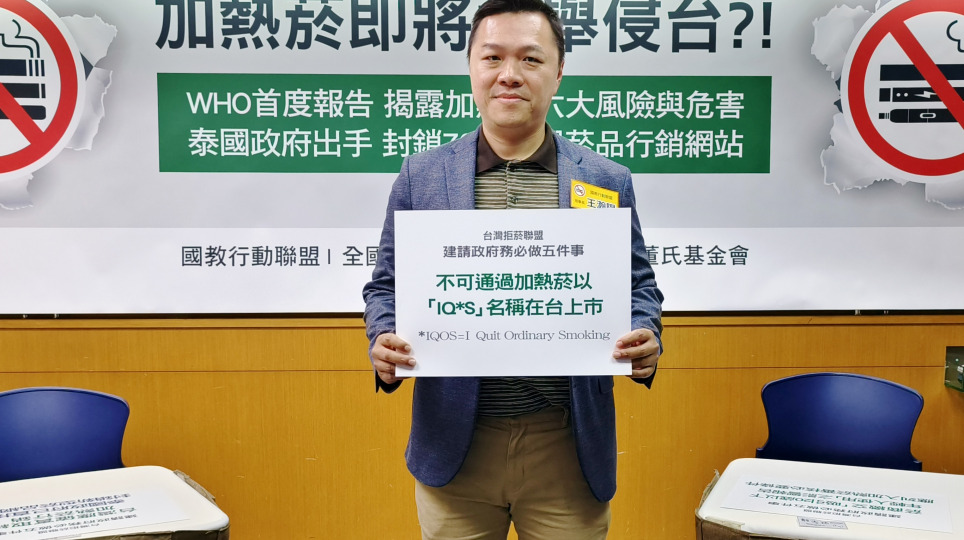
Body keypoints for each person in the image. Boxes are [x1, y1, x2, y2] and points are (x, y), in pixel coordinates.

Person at [362, 0, 664, 538]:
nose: (509, 74)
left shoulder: (604, 179)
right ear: (471, 68)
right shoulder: (421, 177)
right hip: (455, 445)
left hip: (567, 446)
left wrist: (646, 333)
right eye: (492, 57)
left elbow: (638, 284)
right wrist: (383, 337)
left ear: (559, 71)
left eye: (530, 58)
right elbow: (386, 285)